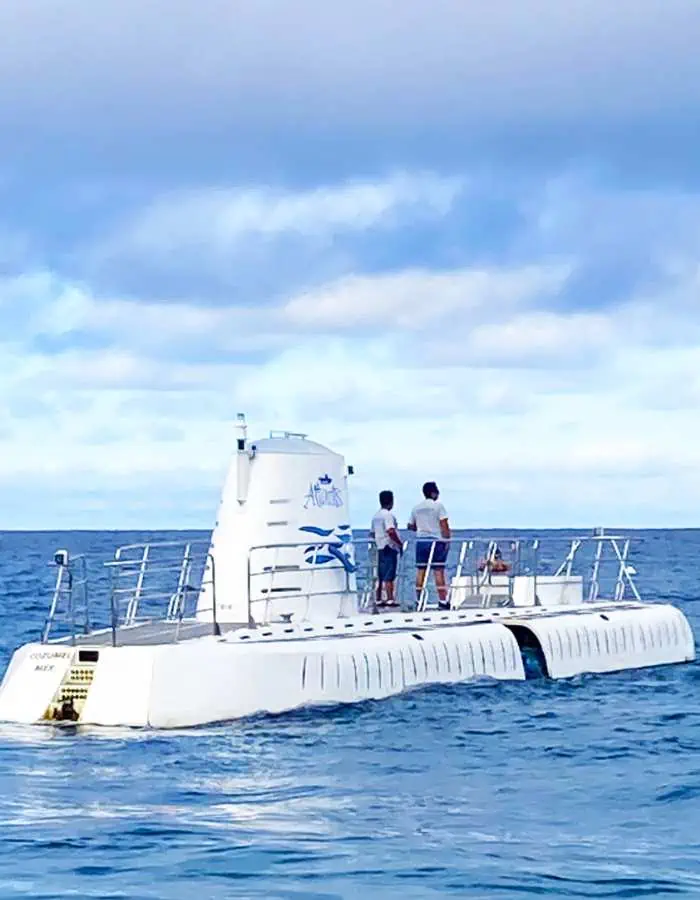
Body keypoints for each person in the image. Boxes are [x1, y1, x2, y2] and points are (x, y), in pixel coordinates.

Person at [407, 481, 451, 609]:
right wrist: (447, 540)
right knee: (438, 571)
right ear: (434, 492)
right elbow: (444, 524)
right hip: (436, 541)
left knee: (420, 571)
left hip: (421, 541)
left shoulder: (416, 508)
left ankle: (418, 599)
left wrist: (420, 527)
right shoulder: (438, 506)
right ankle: (443, 600)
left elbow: (410, 525)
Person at [370, 490, 403, 608]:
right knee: (390, 574)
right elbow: (390, 530)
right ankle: (390, 599)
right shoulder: (388, 515)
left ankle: (378, 598)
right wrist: (399, 543)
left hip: (379, 546)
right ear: (391, 501)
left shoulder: (376, 516)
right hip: (389, 546)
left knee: (380, 574)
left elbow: (372, 533)